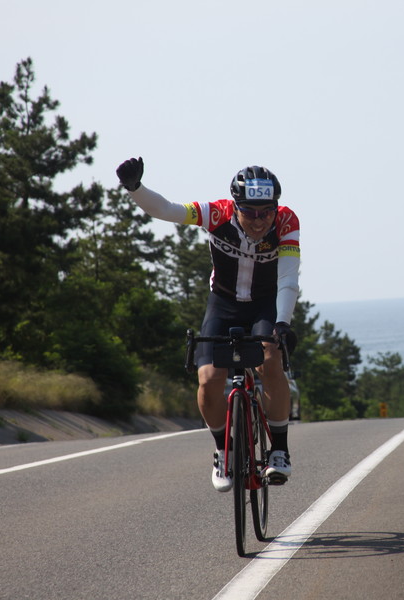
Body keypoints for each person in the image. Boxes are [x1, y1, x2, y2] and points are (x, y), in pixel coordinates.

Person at [116, 157, 299, 491]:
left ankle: (280, 450)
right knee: (209, 379)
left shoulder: (286, 221)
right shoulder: (215, 214)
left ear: (276, 207)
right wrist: (135, 188)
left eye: (266, 212)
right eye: (250, 212)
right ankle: (222, 451)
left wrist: (283, 324)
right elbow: (166, 209)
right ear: (235, 206)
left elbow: (288, 278)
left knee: (270, 362)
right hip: (224, 305)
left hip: (265, 305)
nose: (259, 221)